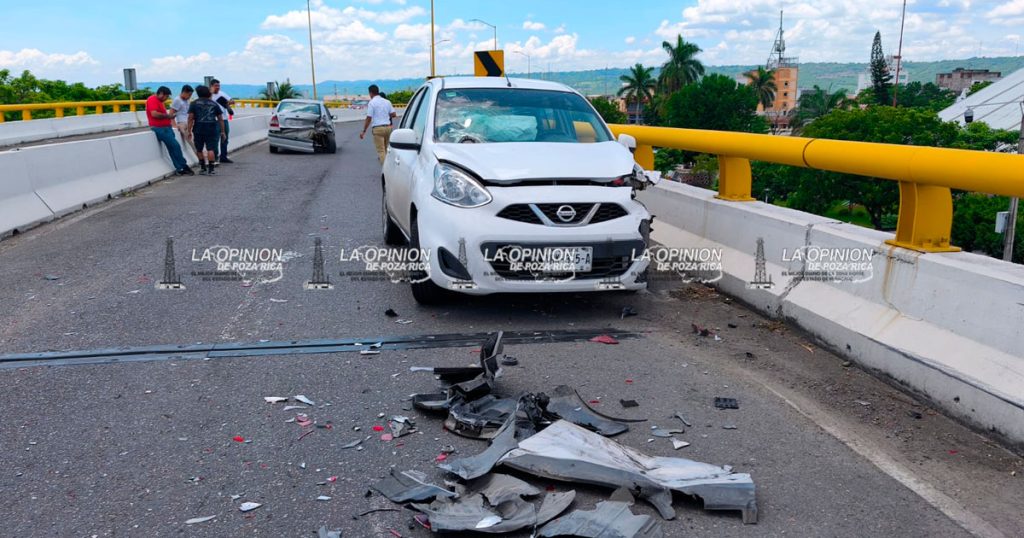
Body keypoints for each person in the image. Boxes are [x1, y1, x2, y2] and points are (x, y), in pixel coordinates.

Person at [146, 86, 194, 176]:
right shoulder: (152, 100)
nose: (166, 99)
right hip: (159, 128)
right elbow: (154, 114)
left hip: (166, 127)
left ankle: (179, 168)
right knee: (175, 146)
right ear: (161, 94)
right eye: (166, 96)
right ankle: (184, 165)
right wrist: (168, 116)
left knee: (172, 148)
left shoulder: (160, 102)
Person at [187, 85, 226, 176]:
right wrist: (223, 131)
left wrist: (189, 130)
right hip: (212, 128)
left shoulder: (194, 103)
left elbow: (190, 118)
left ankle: (203, 168)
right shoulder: (214, 103)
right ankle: (211, 169)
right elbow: (220, 118)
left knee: (199, 148)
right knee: (211, 149)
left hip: (198, 128)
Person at [360, 84, 396, 163]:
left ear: (371, 93)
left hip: (378, 129)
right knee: (387, 150)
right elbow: (394, 114)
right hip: (388, 128)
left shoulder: (372, 103)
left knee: (381, 151)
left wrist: (364, 130)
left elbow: (369, 118)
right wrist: (385, 114)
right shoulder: (387, 101)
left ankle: (385, 171)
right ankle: (389, 168)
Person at [210, 79, 235, 163]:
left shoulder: (222, 94)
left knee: (225, 138)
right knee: (215, 139)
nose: (217, 87)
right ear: (211, 86)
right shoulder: (209, 95)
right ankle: (215, 157)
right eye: (216, 86)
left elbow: (232, 101)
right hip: (214, 120)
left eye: (218, 86)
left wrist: (227, 103)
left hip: (224, 119)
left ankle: (223, 156)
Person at [170, 85, 195, 156]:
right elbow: (171, 113)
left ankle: (203, 158)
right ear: (184, 92)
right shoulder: (177, 100)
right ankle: (203, 159)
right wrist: (174, 125)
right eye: (189, 95)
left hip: (189, 122)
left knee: (196, 141)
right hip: (182, 123)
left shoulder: (186, 101)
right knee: (192, 142)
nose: (190, 96)